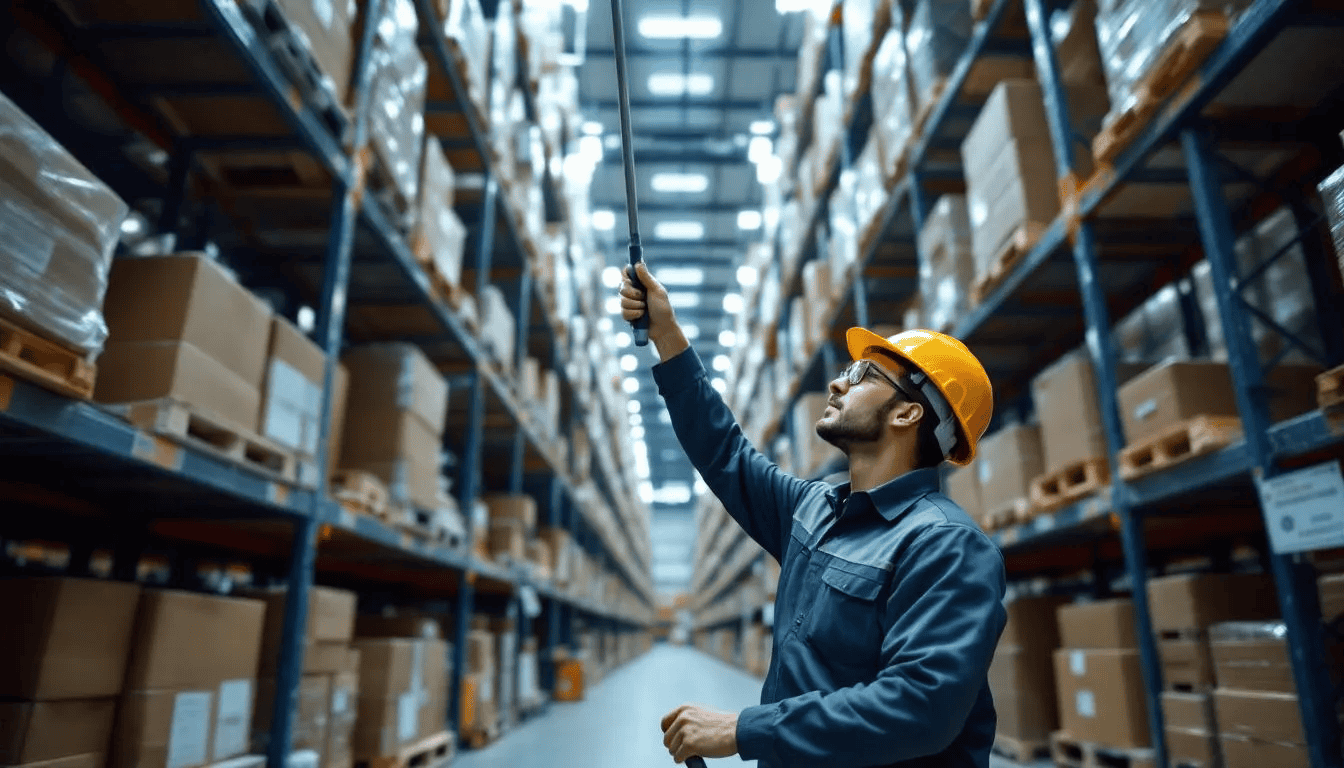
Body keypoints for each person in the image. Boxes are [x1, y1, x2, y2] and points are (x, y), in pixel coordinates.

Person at [619, 262, 1008, 768]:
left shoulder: (945, 545)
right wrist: (667, 336)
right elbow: (725, 452)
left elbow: (920, 706)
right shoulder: (814, 509)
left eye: (862, 375)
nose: (837, 385)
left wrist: (743, 729)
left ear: (908, 413)